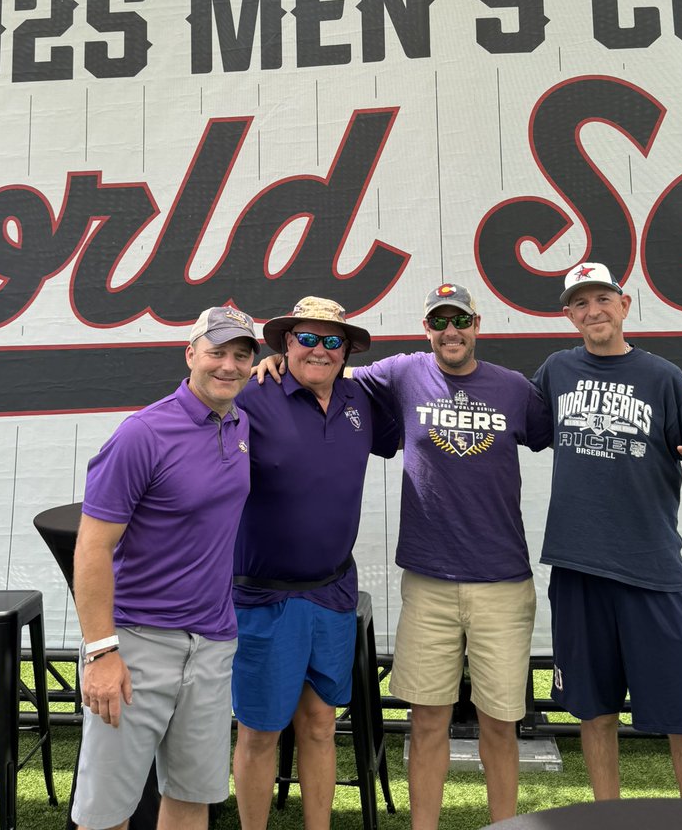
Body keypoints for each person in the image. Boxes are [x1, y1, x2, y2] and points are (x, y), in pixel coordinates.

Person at [256, 282, 553, 828]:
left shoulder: (514, 389)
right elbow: (323, 369)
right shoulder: (402, 373)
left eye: (460, 321)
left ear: (477, 326)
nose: (450, 332)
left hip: (503, 582)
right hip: (428, 580)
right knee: (427, 722)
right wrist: (279, 358)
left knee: (499, 724)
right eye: (439, 322)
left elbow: (569, 439)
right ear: (427, 330)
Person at [532, 261, 682, 801]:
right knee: (594, 717)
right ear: (569, 315)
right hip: (578, 570)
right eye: (580, 302)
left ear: (624, 305)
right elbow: (504, 412)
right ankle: (608, 818)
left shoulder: (662, 377)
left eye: (603, 298)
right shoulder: (555, 371)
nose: (593, 310)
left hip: (652, 571)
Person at [71, 306, 260, 830]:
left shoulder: (241, 421)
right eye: (216, 352)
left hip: (214, 645)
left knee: (191, 798)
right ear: (190, 354)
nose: (228, 365)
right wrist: (102, 652)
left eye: (241, 356)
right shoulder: (142, 434)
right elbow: (90, 549)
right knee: (106, 813)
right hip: (137, 644)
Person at [231, 296, 399, 830]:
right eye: (307, 338)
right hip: (263, 595)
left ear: (347, 352)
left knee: (322, 725)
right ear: (285, 344)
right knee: (259, 732)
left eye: (333, 341)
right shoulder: (250, 394)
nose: (319, 350)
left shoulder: (360, 399)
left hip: (331, 590)